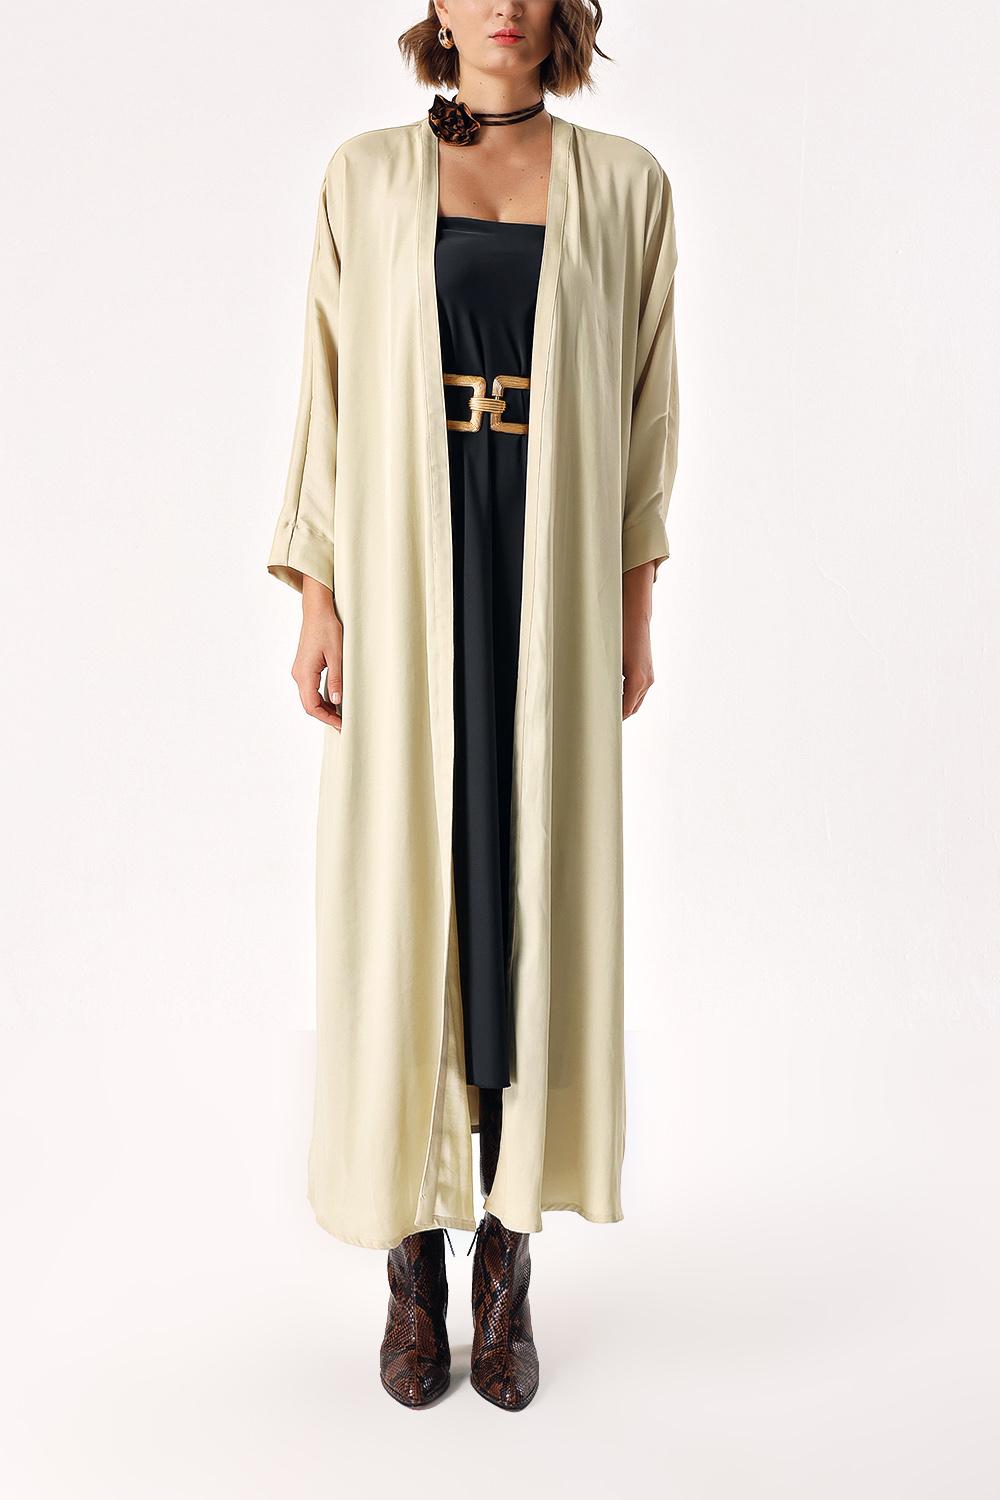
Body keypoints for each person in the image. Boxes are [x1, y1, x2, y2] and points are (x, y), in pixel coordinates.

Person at [267, 0, 679, 1411]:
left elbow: (647, 411)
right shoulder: (366, 177)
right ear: (435, 9)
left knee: (524, 889)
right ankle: (412, 1264)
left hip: (545, 567)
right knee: (411, 890)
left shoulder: (626, 188)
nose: (503, 3)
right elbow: (327, 396)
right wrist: (319, 594)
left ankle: (506, 1258)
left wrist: (632, 604)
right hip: (408, 574)